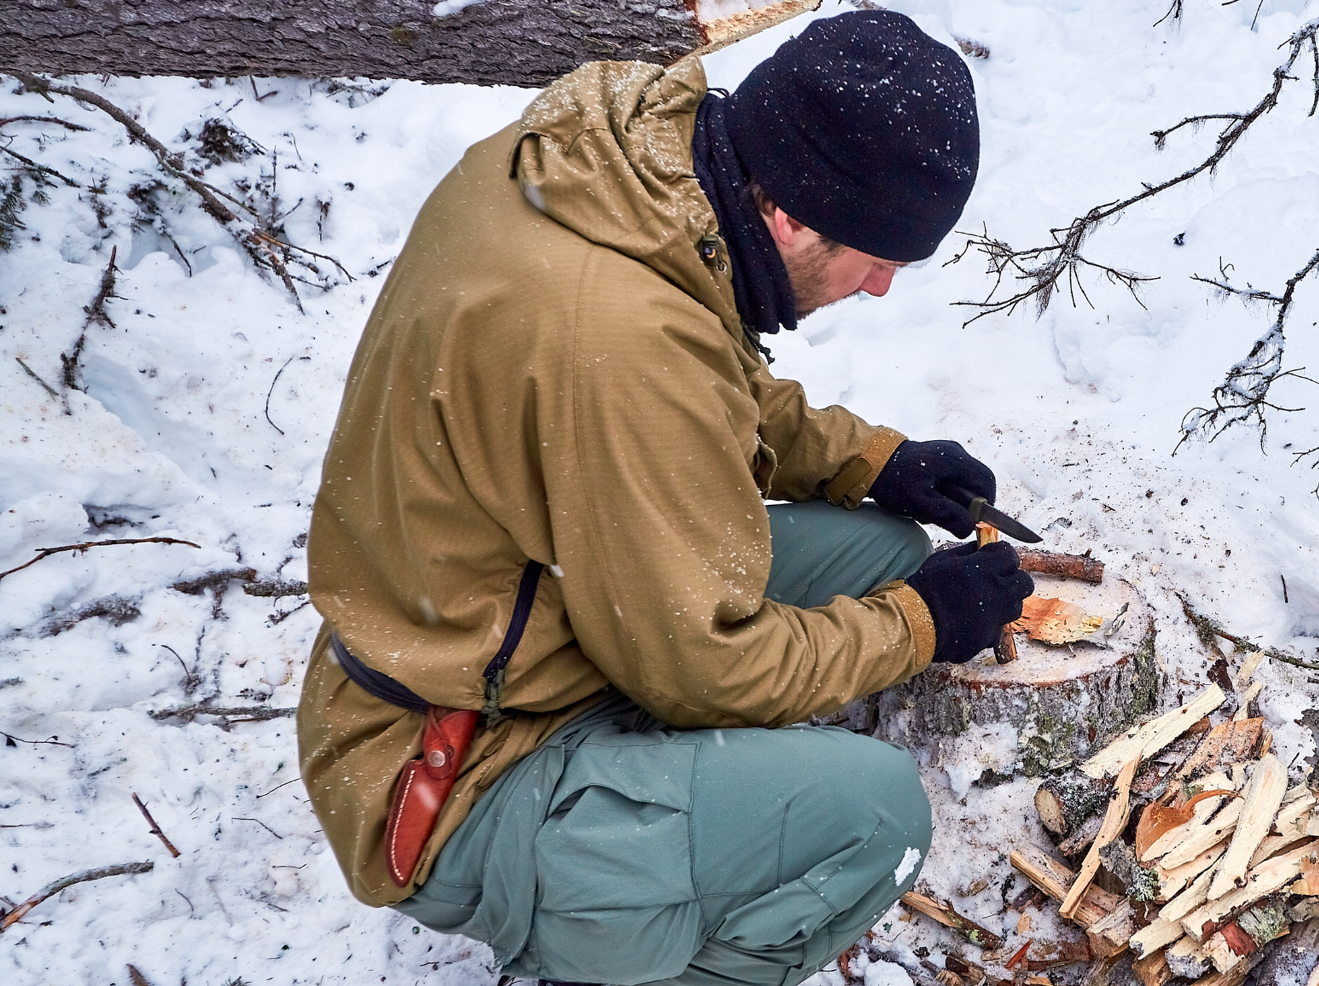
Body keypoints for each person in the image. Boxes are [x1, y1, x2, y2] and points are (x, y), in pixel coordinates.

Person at [296, 12, 1034, 986]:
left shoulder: (625, 171)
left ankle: (691, 817)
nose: (883, 287)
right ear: (793, 215)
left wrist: (873, 460)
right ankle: (633, 935)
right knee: (877, 815)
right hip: (455, 762)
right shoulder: (615, 340)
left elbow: (694, 377)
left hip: (519, 627)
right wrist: (919, 624)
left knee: (881, 552)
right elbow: (708, 669)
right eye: (879, 254)